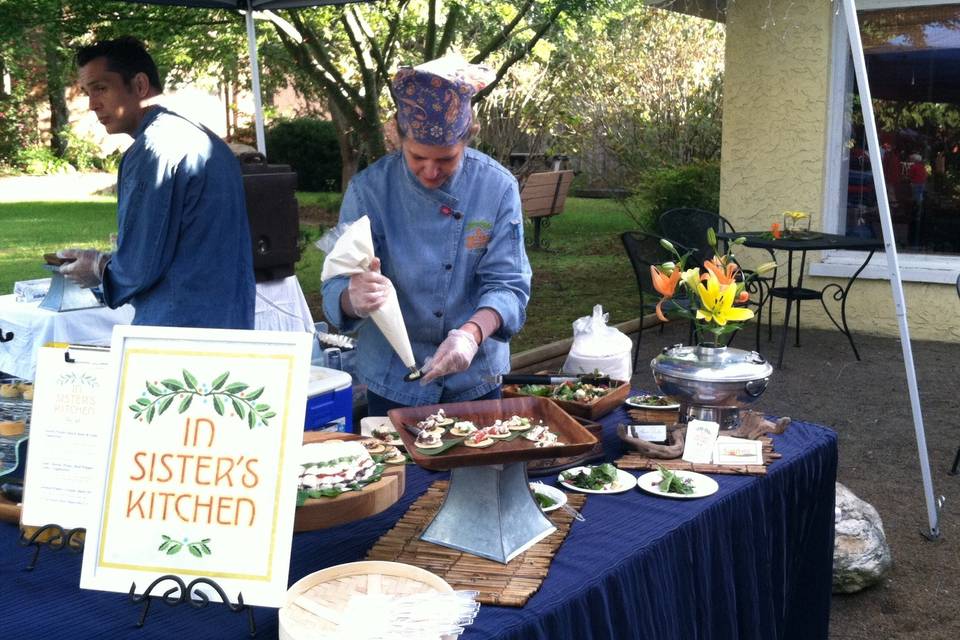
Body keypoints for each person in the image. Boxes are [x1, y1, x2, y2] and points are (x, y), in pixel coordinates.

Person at [321, 57, 532, 415]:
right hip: (392, 381)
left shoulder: (497, 188)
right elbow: (332, 285)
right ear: (397, 138)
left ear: (466, 141)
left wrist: (470, 335)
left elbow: (509, 286)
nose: (431, 171)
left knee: (475, 471)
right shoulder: (367, 191)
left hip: (475, 379)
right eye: (418, 157)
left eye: (446, 160)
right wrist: (350, 297)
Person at [59, 37, 255, 329]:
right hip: (229, 323)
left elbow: (138, 267)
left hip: (178, 334)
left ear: (139, 85)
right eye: (87, 92)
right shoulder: (205, 139)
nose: (92, 104)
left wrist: (97, 266)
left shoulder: (153, 149)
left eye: (101, 88)